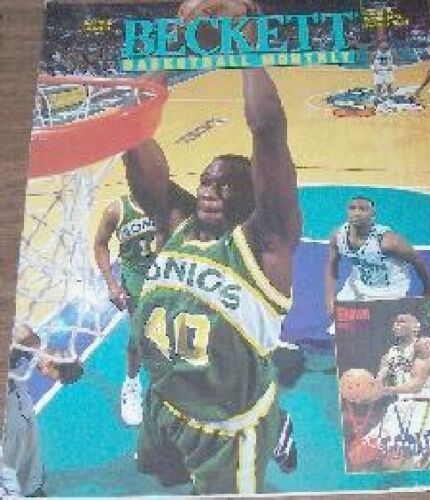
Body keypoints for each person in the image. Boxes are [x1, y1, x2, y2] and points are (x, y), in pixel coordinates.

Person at [130, 14, 301, 492]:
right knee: (161, 474)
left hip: (226, 430)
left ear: (253, 195)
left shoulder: (265, 243)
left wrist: (246, 48)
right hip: (164, 400)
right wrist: (169, 45)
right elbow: (132, 134)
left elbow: (268, 128)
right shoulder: (176, 222)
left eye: (227, 185)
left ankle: (275, 425)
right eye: (206, 181)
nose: (210, 190)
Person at [94, 146, 195, 426]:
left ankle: (180, 386)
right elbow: (100, 244)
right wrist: (111, 284)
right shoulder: (117, 210)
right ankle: (131, 383)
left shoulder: (173, 204)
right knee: (139, 339)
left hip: (171, 281)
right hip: (138, 284)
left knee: (179, 335)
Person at [3, 324, 83, 497]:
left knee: (26, 429)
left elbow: (22, 330)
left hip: (13, 386)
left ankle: (30, 486)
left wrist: (36, 350)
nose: (45, 373)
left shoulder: (31, 344)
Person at [325, 196, 430, 323]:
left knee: (382, 331)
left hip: (389, 290)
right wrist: (330, 298)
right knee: (340, 326)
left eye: (363, 209)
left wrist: (428, 291)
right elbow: (332, 265)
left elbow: (418, 262)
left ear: (373, 215)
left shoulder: (389, 242)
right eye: (352, 208)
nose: (356, 213)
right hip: (357, 284)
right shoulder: (338, 236)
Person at [365, 314, 430, 469]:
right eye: (395, 322)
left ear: (416, 327)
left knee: (420, 460)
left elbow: (416, 385)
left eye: (402, 321)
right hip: (400, 406)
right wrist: (365, 390)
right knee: (368, 449)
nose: (396, 324)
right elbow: (377, 384)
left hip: (428, 402)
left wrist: (385, 390)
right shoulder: (390, 355)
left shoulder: (425, 345)